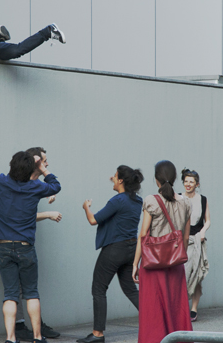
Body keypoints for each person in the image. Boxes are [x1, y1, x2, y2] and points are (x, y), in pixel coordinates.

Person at [0, 149, 62, 343]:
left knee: (10, 294)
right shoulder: (36, 187)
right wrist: (42, 167)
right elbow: (55, 185)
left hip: (3, 247)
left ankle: (10, 338)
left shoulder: (1, 181)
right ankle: (37, 337)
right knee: (31, 293)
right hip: (25, 247)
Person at [77, 165, 144, 343]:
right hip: (131, 249)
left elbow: (93, 220)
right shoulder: (138, 201)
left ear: (121, 180)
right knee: (130, 289)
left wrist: (86, 207)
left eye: (115, 176)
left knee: (98, 289)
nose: (112, 178)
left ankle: (98, 334)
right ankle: (155, 321)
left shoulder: (118, 200)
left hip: (115, 249)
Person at [132, 160, 193, 343]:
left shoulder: (151, 200)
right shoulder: (186, 202)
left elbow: (143, 235)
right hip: (175, 263)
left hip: (153, 263)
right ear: (174, 178)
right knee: (176, 307)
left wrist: (135, 263)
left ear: (156, 179)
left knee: (153, 310)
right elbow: (185, 238)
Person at [15, 147, 61, 341]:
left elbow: (48, 188)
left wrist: (48, 193)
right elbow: (19, 216)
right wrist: (48, 214)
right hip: (16, 241)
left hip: (26, 241)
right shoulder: (19, 183)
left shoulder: (35, 183)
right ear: (36, 162)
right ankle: (21, 329)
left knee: (26, 287)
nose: (47, 164)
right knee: (19, 288)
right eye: (44, 161)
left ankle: (34, 326)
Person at [181, 168, 210, 322]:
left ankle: (194, 308)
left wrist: (203, 231)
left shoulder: (203, 199)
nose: (188, 184)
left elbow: (208, 220)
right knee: (182, 275)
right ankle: (182, 307)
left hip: (198, 241)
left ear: (197, 184)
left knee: (197, 276)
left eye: (191, 181)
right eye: (186, 181)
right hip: (182, 243)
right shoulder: (178, 198)